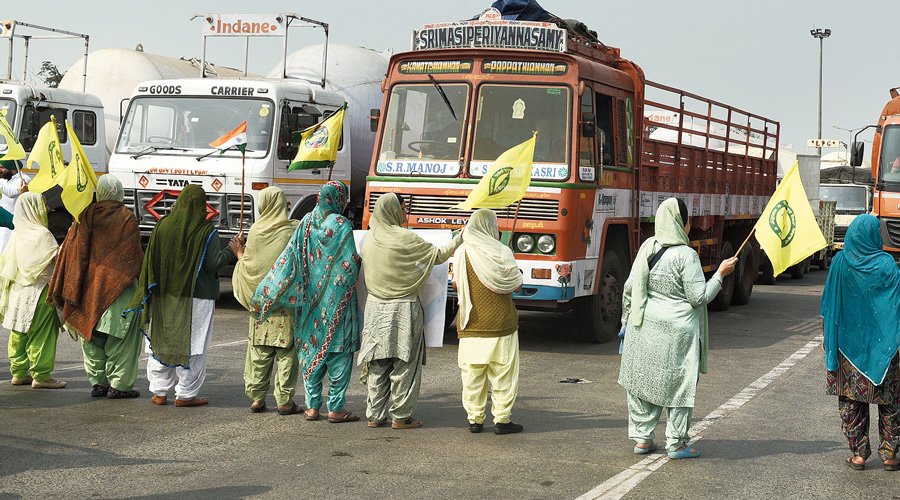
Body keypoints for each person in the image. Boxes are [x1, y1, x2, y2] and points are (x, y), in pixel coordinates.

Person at [618, 197, 736, 458]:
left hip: (644, 329)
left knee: (644, 383)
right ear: (683, 223)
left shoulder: (647, 247)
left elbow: (630, 289)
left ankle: (643, 440)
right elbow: (699, 298)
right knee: (678, 385)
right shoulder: (687, 255)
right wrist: (720, 274)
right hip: (677, 335)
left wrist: (626, 322)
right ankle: (677, 443)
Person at [253, 181, 361, 422]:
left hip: (309, 303)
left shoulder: (305, 223)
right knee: (339, 354)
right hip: (337, 305)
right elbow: (351, 262)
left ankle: (312, 407)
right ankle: (336, 408)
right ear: (339, 199)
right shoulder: (342, 224)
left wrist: (268, 291)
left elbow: (288, 259)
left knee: (311, 349)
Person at [125, 185, 238, 407]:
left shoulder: (162, 226)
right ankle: (186, 394)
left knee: (162, 340)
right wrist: (231, 251)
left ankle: (159, 391)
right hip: (198, 298)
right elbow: (214, 263)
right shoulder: (206, 231)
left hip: (165, 296)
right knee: (194, 344)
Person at [358, 192, 463, 429]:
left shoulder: (369, 239)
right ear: (395, 210)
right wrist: (459, 239)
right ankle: (401, 416)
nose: (404, 214)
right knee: (405, 364)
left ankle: (374, 416)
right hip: (404, 310)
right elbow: (437, 256)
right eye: (403, 209)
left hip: (375, 310)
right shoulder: (405, 238)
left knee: (377, 363)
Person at [47, 175, 145, 399]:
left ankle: (99, 383)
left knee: (92, 339)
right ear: (118, 192)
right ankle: (119, 386)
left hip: (87, 291)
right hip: (118, 291)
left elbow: (72, 252)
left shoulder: (84, 216)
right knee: (122, 342)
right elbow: (133, 257)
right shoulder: (126, 218)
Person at [822, 214, 900, 471]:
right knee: (891, 401)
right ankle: (889, 455)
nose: (879, 236)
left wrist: (828, 338)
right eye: (877, 232)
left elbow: (830, 304)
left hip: (848, 346)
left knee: (851, 401)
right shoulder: (888, 264)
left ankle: (858, 454)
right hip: (885, 347)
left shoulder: (840, 262)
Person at [452, 209, 523, 434]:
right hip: (501, 323)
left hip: (471, 323)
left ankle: (475, 420)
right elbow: (516, 285)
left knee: (472, 374)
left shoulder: (462, 251)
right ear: (492, 227)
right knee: (503, 373)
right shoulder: (502, 251)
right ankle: (502, 420)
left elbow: (455, 285)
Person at [232, 186, 302, 415]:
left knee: (259, 353)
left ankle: (257, 398)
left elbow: (252, 267)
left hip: (261, 304)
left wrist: (240, 255)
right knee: (286, 353)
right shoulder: (293, 229)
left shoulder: (255, 231)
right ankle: (284, 401)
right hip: (286, 303)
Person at [0, 192, 65, 388]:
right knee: (42, 333)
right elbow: (55, 261)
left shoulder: (17, 234)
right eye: (42, 204)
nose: (46, 209)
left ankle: (19, 372)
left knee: (19, 331)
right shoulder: (42, 234)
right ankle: (42, 376)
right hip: (40, 291)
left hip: (17, 292)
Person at [0, 159, 31, 253]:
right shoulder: (4, 180)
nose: (0, 170)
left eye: (2, 167)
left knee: (5, 251)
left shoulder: (24, 179)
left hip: (13, 221)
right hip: (2, 220)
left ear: (11, 168)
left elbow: (12, 193)